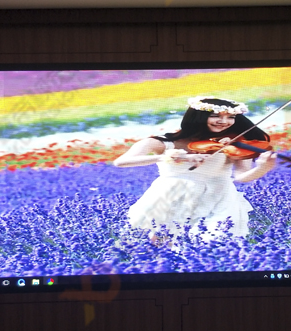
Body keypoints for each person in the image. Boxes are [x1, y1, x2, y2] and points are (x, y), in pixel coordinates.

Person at [113, 97, 277, 240]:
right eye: (216, 116)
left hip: (219, 196)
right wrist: (171, 156)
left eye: (231, 117)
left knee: (216, 243)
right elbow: (122, 162)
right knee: (160, 244)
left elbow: (241, 176)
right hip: (172, 196)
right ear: (198, 117)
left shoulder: (232, 144)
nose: (224, 121)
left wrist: (262, 168)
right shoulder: (164, 142)